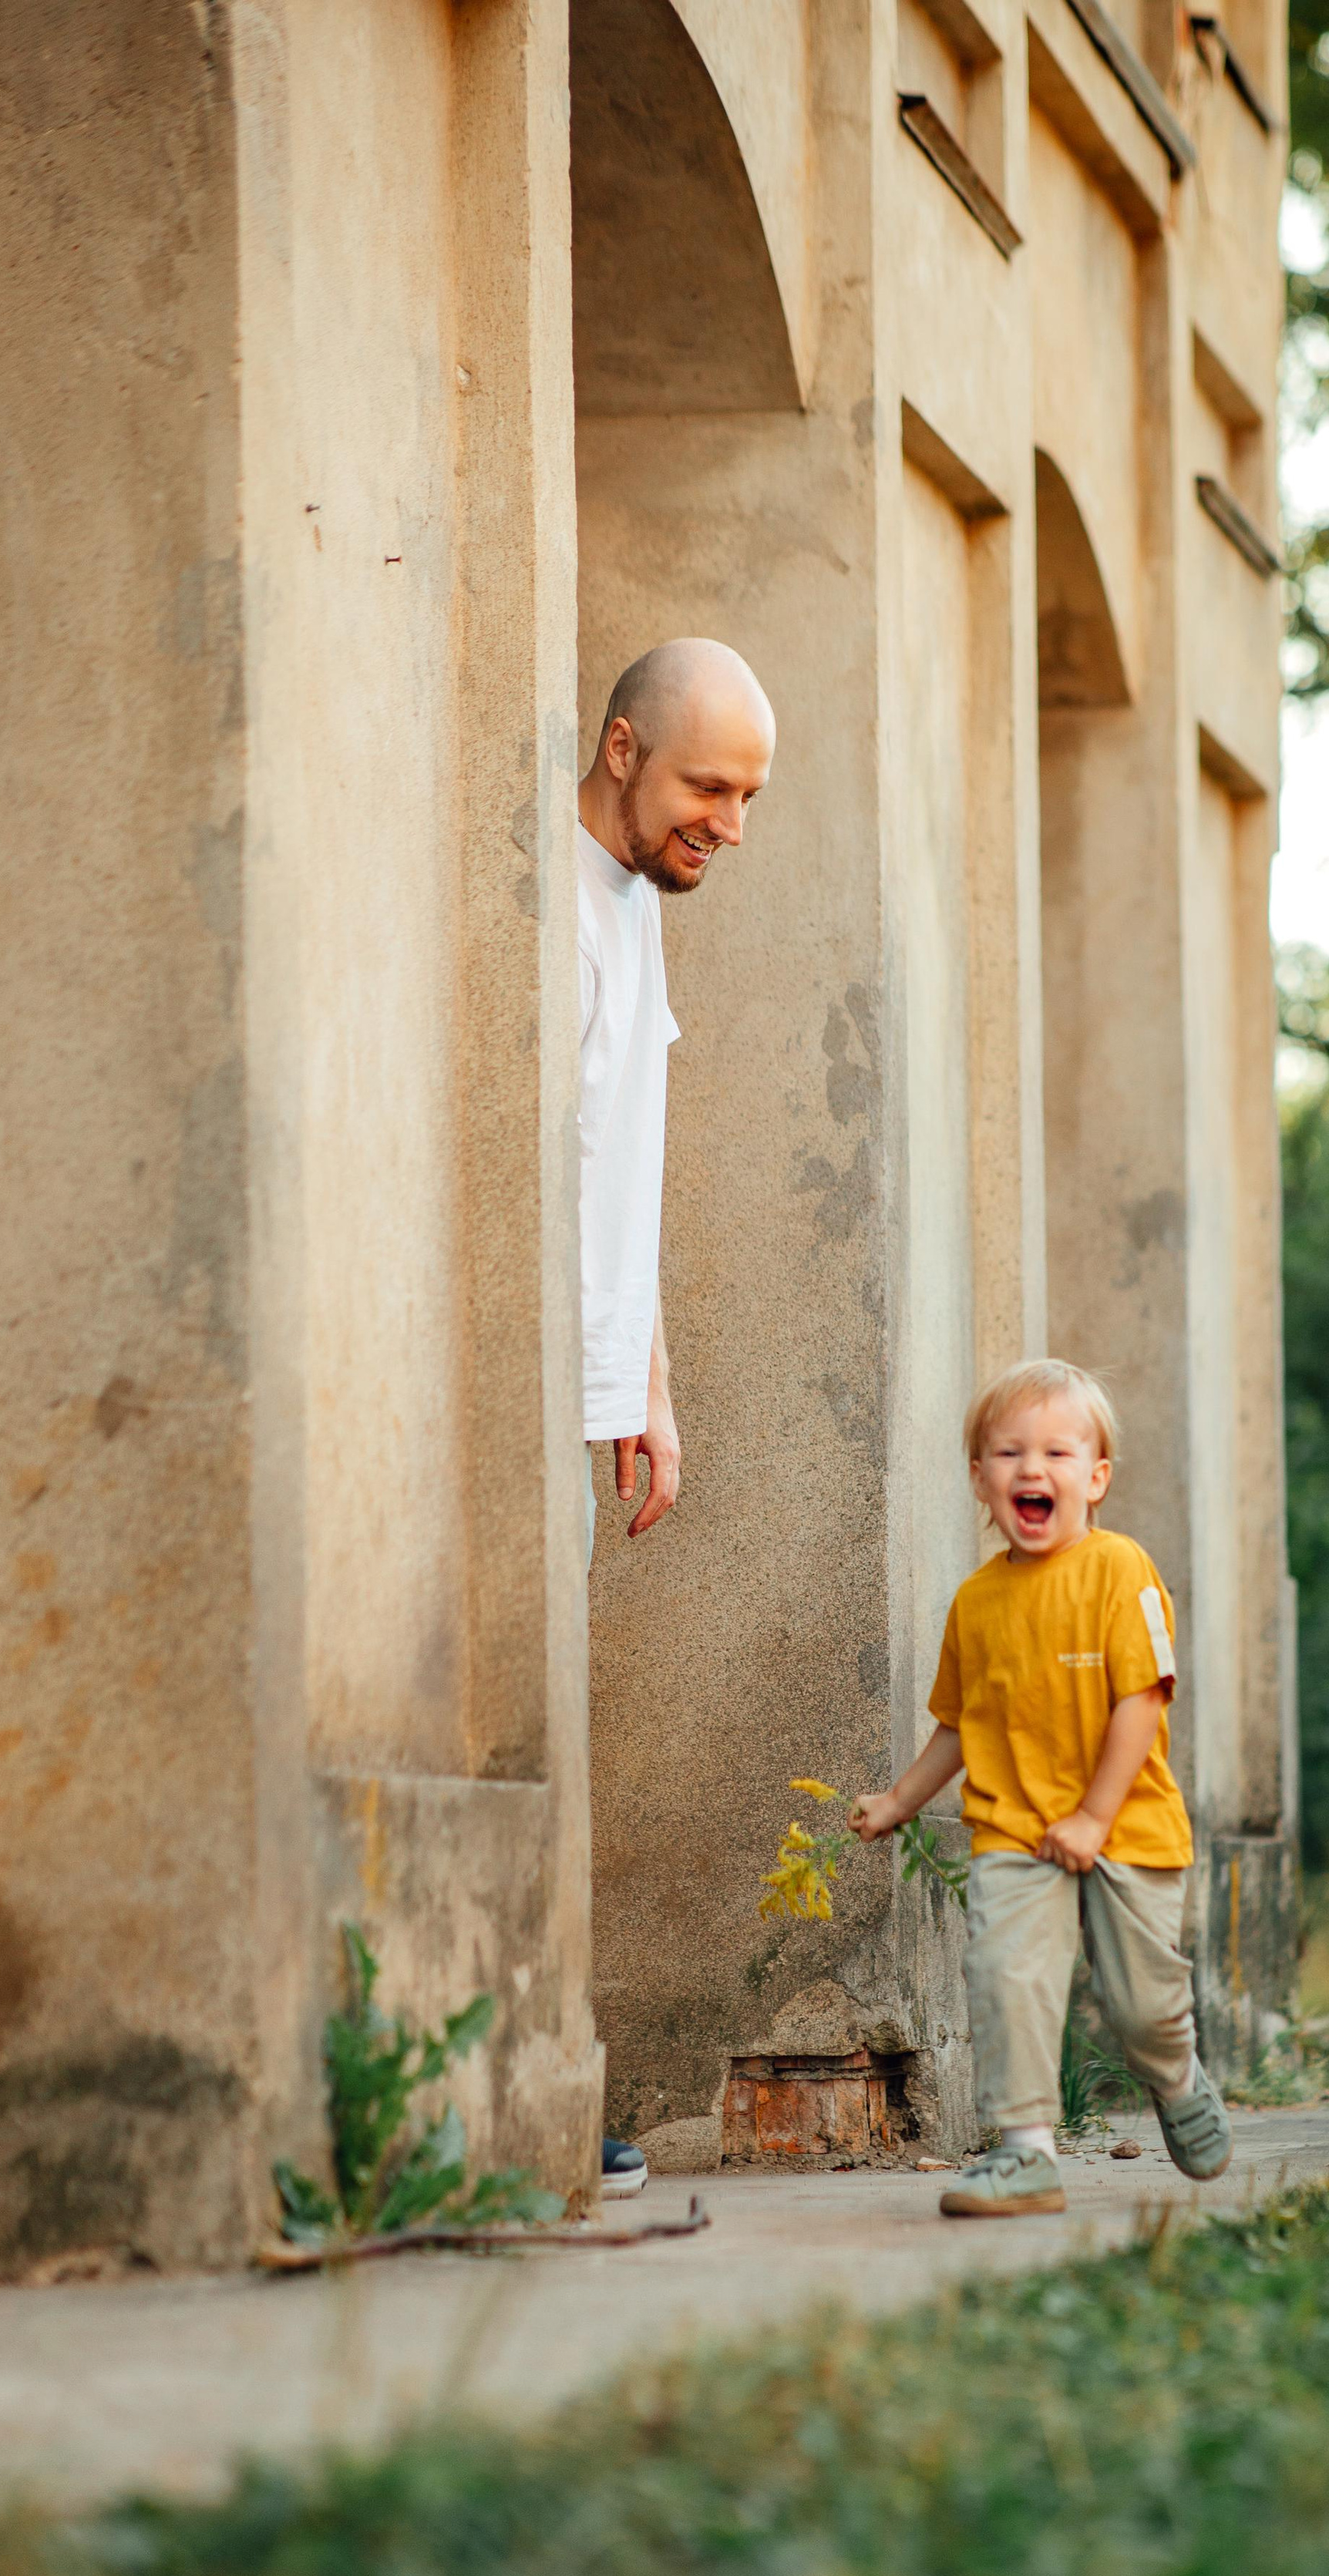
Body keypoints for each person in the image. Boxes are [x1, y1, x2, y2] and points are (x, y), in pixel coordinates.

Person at [849, 1358, 1233, 2217]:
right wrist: (901, 1801)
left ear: (1094, 1478)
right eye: (1007, 1452)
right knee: (1007, 1975)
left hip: (1126, 1824)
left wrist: (1095, 1815)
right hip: (1014, 1829)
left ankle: (1174, 2075)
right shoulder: (975, 1604)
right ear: (980, 1477)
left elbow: (1141, 1699)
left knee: (1141, 2009)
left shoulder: (1118, 1569)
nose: (1032, 1469)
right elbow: (959, 1723)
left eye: (1058, 1453)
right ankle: (1024, 2154)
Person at [579, 636, 775, 2194]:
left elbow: (621, 1154)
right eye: (707, 783)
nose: (726, 818)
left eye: (748, 795)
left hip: (589, 1381)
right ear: (621, 743)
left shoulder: (638, 910)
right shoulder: (541, 899)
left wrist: (648, 1375)